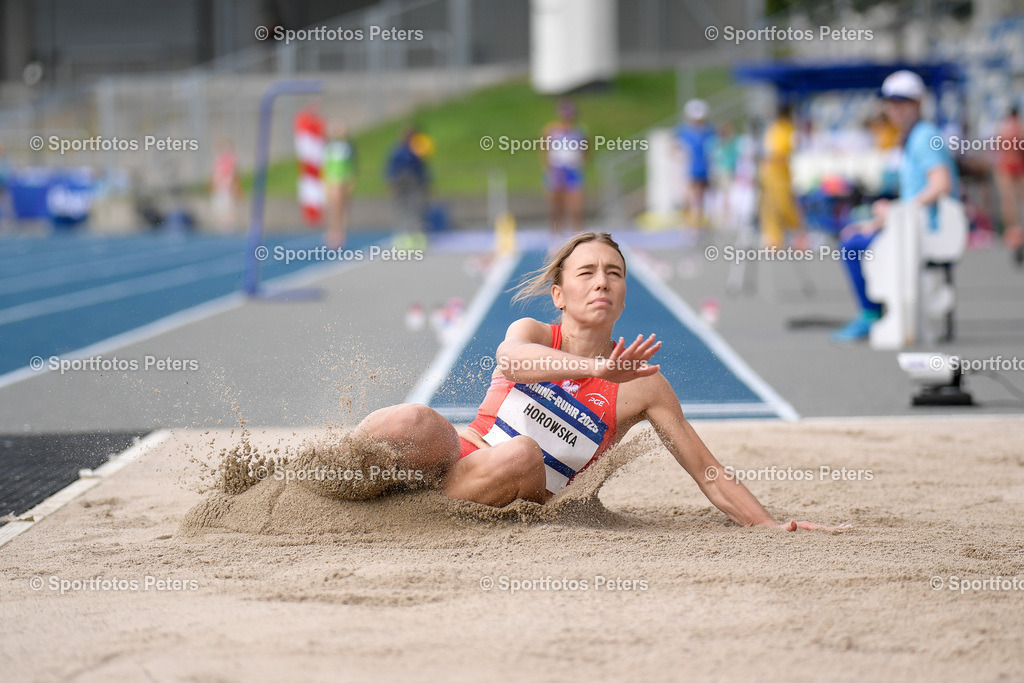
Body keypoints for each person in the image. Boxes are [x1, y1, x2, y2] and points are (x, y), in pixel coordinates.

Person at [347, 232, 842, 530]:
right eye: (587, 272)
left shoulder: (645, 386)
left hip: (525, 487)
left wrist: (772, 526)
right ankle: (321, 479)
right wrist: (595, 369)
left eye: (614, 273)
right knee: (416, 418)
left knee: (522, 451)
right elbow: (513, 361)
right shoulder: (533, 332)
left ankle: (408, 514)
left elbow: (706, 473)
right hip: (465, 457)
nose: (602, 281)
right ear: (560, 295)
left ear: (624, 296)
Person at [832, 70, 960, 342]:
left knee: (853, 246)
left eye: (903, 102)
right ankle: (876, 312)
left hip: (927, 229)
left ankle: (871, 313)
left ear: (918, 103)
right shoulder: (917, 134)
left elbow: (941, 183)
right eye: (891, 103)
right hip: (916, 224)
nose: (895, 109)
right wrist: (886, 217)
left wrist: (895, 212)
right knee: (856, 236)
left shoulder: (923, 137)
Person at [758, 102, 803, 249]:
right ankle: (774, 238)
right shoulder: (778, 128)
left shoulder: (786, 129)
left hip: (779, 172)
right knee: (770, 206)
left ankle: (796, 235)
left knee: (784, 205)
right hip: (771, 172)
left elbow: (780, 153)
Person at [542, 99, 588, 237]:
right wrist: (548, 168)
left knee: (575, 208)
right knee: (555, 207)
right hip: (556, 171)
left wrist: (580, 164)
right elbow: (544, 149)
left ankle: (577, 235)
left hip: (573, 171)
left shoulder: (579, 132)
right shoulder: (551, 130)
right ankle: (555, 235)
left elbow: (586, 150)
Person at [675, 99, 716, 228]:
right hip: (690, 168)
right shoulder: (685, 131)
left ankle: (697, 224)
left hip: (704, 168)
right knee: (689, 197)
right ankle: (689, 224)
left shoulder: (708, 131)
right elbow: (674, 148)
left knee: (701, 198)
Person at [993, 106, 1024, 265]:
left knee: (1011, 201)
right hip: (1010, 165)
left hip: (1011, 165)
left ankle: (1014, 231)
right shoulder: (1016, 126)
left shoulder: (1007, 126)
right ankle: (1013, 231)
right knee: (1010, 201)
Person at [386, 125, 430, 236]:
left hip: (415, 182)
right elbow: (392, 166)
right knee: (402, 207)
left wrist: (426, 182)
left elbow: (422, 168)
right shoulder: (397, 150)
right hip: (401, 181)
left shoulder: (417, 149)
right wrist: (392, 181)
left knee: (417, 207)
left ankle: (418, 233)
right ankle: (404, 233)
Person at [323, 122, 357, 250]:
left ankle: (341, 233)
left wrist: (351, 179)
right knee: (333, 207)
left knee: (344, 207)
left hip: (344, 178)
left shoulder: (348, 147)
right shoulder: (329, 147)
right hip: (333, 179)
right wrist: (326, 180)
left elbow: (351, 164)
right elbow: (326, 164)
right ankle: (333, 232)